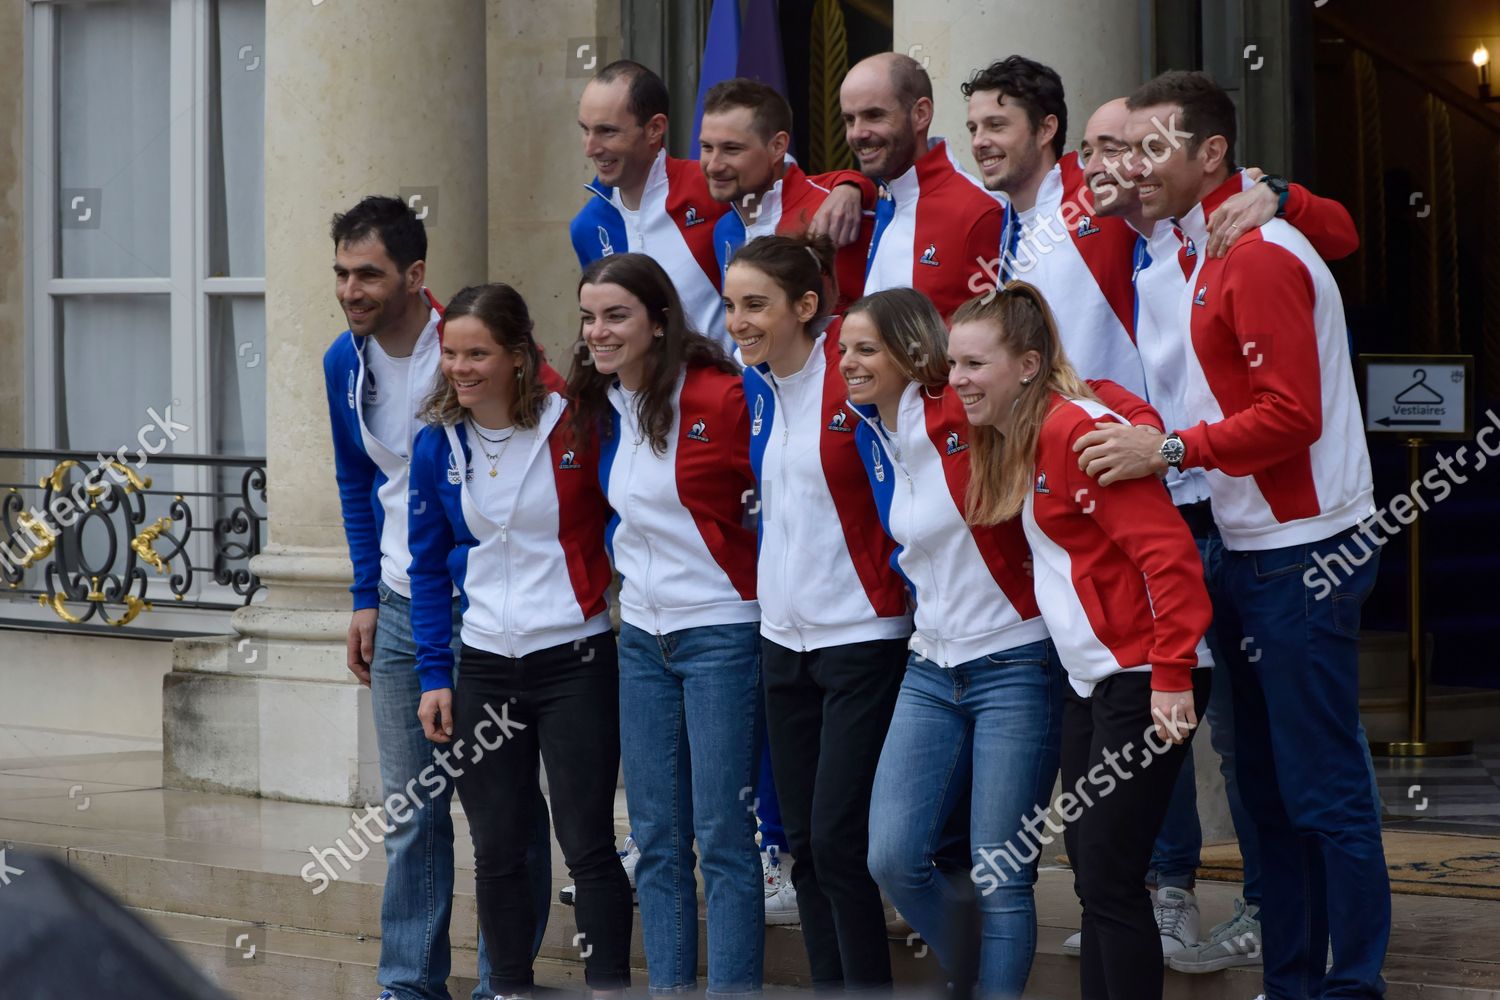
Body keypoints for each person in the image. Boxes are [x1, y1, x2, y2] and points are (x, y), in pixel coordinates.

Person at [1083, 71, 1388, 1000]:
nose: (1126, 169)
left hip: (1305, 548)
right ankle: (1293, 980)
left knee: (1321, 789)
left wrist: (1166, 448)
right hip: (1239, 542)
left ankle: (1350, 985)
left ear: (1212, 155)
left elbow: (1290, 416)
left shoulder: (1253, 251)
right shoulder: (1178, 243)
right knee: (1264, 787)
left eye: (1148, 150)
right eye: (1118, 150)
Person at [951, 281, 1212, 1000]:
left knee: (1111, 871)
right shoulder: (1032, 427)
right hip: (1093, 677)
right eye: (954, 364)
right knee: (1096, 871)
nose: (958, 381)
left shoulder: (1072, 431)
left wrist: (1171, 674)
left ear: (1027, 365)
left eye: (975, 365)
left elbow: (1170, 557)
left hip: (1143, 673)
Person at [321, 196, 550, 1000]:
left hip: (487, 609)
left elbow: (547, 448)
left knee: (506, 811)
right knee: (412, 809)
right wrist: (361, 594)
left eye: (369, 273)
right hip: (396, 598)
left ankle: (504, 982)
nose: (352, 288)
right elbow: (357, 483)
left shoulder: (481, 342)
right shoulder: (341, 363)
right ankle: (409, 985)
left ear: (416, 275)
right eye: (343, 272)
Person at [406, 284, 631, 998]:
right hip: (484, 668)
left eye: (478, 353)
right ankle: (507, 987)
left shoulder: (580, 424)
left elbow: (629, 519)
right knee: (497, 846)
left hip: (576, 658)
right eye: (451, 354)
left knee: (588, 842)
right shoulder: (436, 443)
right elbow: (425, 567)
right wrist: (433, 674)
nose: (461, 369)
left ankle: (606, 986)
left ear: (518, 355)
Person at [838, 286, 1056, 996]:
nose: (848, 363)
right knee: (892, 858)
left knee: (1000, 871)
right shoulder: (874, 430)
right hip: (931, 664)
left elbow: (1073, 395)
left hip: (1015, 659)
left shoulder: (965, 411)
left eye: (866, 349)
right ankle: (981, 979)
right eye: (843, 349)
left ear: (911, 354)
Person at [568, 252, 764, 997]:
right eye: (589, 316)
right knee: (654, 841)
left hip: (722, 631)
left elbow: (783, 495)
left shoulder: (721, 396)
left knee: (721, 839)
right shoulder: (603, 405)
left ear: (659, 321)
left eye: (616, 315)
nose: (599, 330)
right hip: (642, 639)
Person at [725, 235, 911, 989]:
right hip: (782, 640)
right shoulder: (756, 383)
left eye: (756, 305)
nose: (737, 321)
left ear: (806, 308)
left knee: (839, 840)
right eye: (733, 304)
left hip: (863, 636)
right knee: (801, 840)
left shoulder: (860, 380)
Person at [572, 61, 859, 353]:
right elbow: (600, 320)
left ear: (656, 128)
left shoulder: (712, 187)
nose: (590, 148)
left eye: (607, 131)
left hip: (745, 388)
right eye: (585, 129)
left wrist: (852, 185)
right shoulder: (586, 227)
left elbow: (785, 181)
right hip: (656, 395)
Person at [841, 53, 1004, 318]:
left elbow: (997, 341)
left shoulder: (980, 211)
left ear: (920, 114)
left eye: (874, 115)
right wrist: (846, 186)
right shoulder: (880, 197)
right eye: (849, 119)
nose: (858, 133)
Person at [701, 77, 872, 314]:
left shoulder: (833, 211)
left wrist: (857, 187)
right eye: (707, 147)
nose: (713, 165)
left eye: (732, 149)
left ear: (778, 146)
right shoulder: (723, 230)